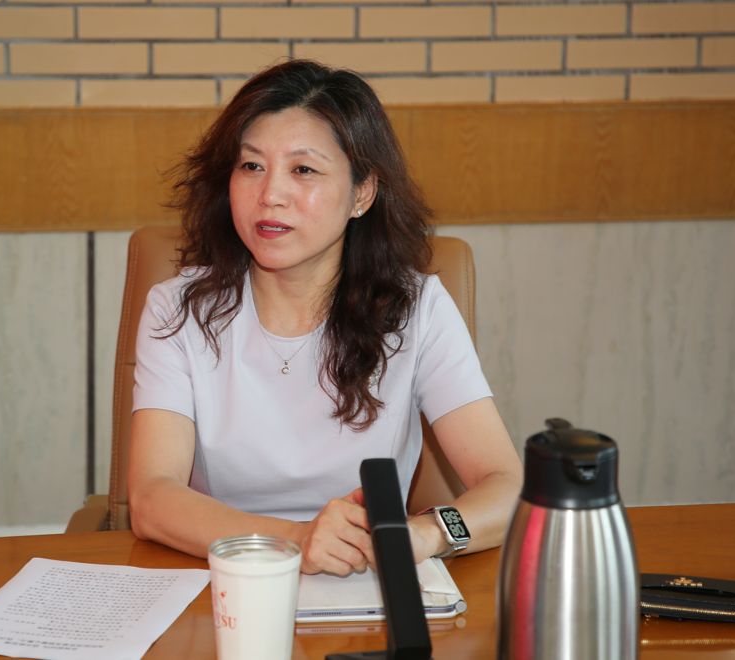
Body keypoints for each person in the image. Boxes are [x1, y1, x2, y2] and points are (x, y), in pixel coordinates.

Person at [127, 59, 523, 576]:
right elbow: (151, 498)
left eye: (303, 170)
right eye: (251, 166)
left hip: (366, 579)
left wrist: (423, 534)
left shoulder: (417, 309)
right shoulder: (179, 309)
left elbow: (507, 487)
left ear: (362, 193)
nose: (270, 195)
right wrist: (298, 541)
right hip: (227, 579)